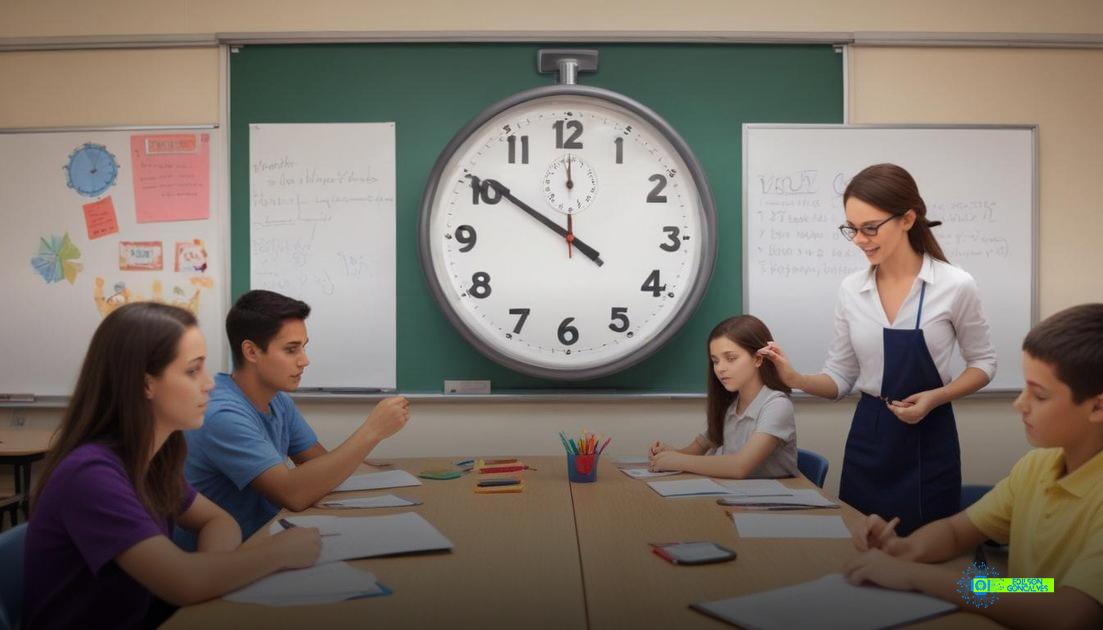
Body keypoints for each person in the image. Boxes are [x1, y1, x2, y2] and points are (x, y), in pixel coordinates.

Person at [24, 302, 321, 630]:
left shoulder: (150, 459)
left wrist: (211, 571)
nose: (209, 384)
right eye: (193, 370)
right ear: (145, 383)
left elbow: (217, 520)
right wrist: (279, 553)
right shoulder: (90, 475)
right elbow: (184, 583)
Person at [758, 163, 996, 534]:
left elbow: (983, 363)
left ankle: (969, 594)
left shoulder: (954, 285)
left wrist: (937, 397)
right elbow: (839, 379)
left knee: (929, 555)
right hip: (869, 435)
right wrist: (795, 378)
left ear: (907, 219)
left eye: (870, 228)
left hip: (929, 438)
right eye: (852, 229)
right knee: (861, 552)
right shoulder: (851, 289)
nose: (859, 239)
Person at [842, 303, 1103, 629]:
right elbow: (956, 533)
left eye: (1038, 396)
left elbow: (1069, 613)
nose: (1019, 404)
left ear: (1096, 407)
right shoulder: (1037, 466)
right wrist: (903, 548)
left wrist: (916, 576)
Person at [182, 290, 409, 544]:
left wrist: (400, 470)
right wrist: (372, 431)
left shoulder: (277, 400)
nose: (305, 360)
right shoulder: (221, 414)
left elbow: (320, 463)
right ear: (251, 352)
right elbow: (294, 494)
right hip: (225, 562)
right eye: (291, 350)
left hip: (267, 540)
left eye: (303, 347)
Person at [649, 315, 798, 479]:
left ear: (758, 359)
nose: (720, 368)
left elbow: (740, 467)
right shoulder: (730, 404)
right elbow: (693, 451)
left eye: (731, 358)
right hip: (733, 495)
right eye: (715, 361)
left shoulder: (777, 405)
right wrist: (669, 453)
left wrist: (677, 461)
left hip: (769, 500)